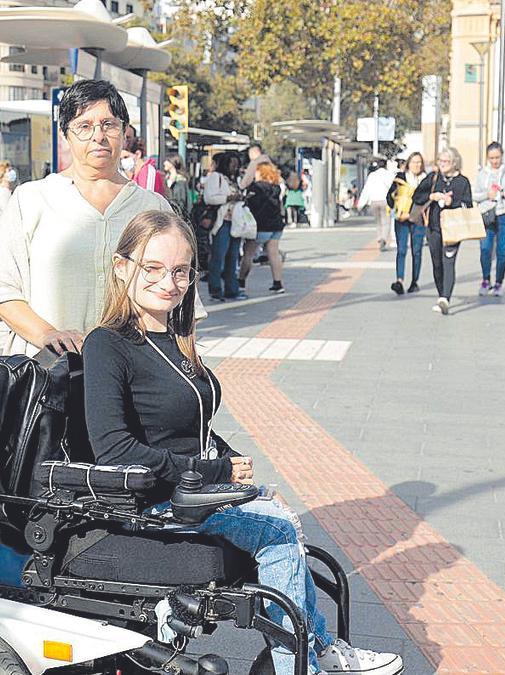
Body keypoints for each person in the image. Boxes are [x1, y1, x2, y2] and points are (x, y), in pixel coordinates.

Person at [81, 210, 404, 675]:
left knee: (279, 518)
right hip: (152, 503)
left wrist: (233, 466)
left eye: (181, 271)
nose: (168, 282)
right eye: (152, 268)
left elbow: (187, 425)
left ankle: (315, 650)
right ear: (121, 267)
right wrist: (217, 474)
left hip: (191, 493)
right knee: (277, 532)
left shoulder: (174, 336)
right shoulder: (108, 345)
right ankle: (308, 661)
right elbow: (115, 451)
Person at [0, 79, 180, 357]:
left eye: (109, 125)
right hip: (49, 371)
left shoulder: (153, 207)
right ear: (66, 135)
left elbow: (179, 291)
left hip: (134, 369)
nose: (98, 136)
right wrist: (47, 334)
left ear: (124, 132)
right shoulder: (31, 200)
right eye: (84, 126)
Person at [413, 148, 473, 315]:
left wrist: (451, 201)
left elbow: (468, 205)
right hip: (433, 227)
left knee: (448, 262)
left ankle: (445, 298)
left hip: (453, 229)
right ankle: (441, 294)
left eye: (446, 161)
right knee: (437, 263)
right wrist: (432, 197)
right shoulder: (433, 178)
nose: (442, 164)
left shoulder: (462, 182)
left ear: (454, 163)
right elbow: (417, 197)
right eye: (440, 161)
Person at [473, 142, 505, 297]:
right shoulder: (483, 174)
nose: (494, 161)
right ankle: (485, 279)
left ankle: (499, 283)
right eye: (491, 158)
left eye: (497, 157)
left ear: (502, 156)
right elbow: (474, 194)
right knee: (485, 249)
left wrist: (504, 193)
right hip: (487, 214)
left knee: (502, 251)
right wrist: (486, 195)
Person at [201, 152, 246, 302]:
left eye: (236, 163)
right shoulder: (216, 177)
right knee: (218, 256)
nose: (234, 166)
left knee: (233, 257)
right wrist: (228, 198)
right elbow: (209, 197)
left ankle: (231, 289)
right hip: (222, 223)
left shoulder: (235, 180)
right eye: (232, 163)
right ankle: (215, 290)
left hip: (235, 222)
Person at [239, 162, 287, 294]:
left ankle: (241, 281)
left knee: (248, 254)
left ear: (261, 172)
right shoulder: (276, 188)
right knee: (274, 254)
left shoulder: (256, 188)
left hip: (260, 226)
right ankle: (278, 283)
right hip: (276, 225)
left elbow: (250, 205)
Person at [385, 152, 427, 295]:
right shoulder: (400, 178)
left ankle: (414, 282)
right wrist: (396, 210)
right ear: (408, 163)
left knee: (417, 251)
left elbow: (427, 202)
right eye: (414, 162)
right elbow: (390, 196)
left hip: (418, 220)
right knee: (401, 250)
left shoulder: (426, 180)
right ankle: (400, 280)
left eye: (419, 162)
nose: (417, 165)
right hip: (401, 218)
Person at [358, 160, 395, 251]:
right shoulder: (389, 175)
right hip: (385, 202)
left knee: (378, 221)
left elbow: (366, 190)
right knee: (386, 222)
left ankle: (379, 237)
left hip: (374, 201)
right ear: (386, 165)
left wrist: (360, 204)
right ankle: (384, 239)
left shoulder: (372, 175)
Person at [162, 153, 190, 218]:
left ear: (173, 163)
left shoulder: (180, 181)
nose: (164, 163)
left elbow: (181, 202)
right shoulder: (167, 178)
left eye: (167, 161)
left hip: (177, 217)